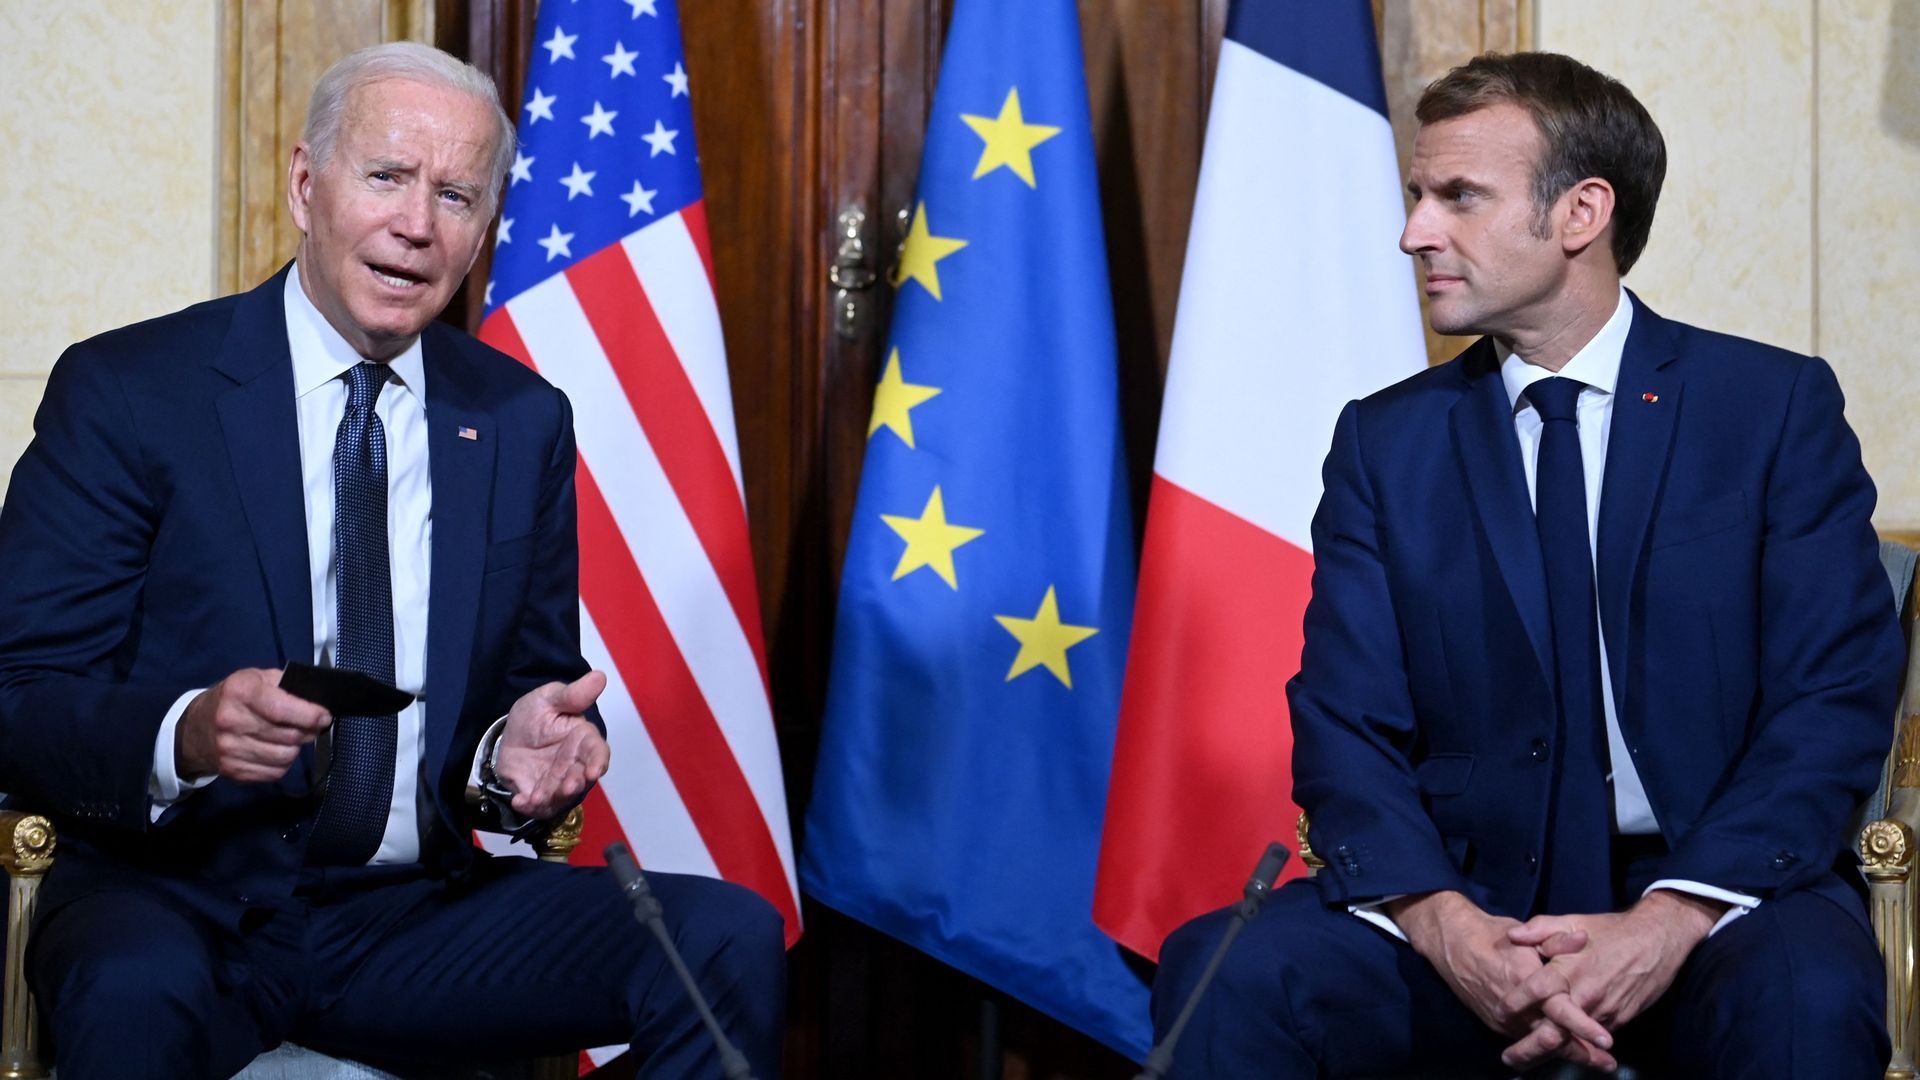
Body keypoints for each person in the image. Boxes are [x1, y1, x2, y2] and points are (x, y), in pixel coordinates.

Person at [0, 42, 784, 1080]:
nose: (418, 225)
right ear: (304, 184)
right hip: (175, 902)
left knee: (725, 940)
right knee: (132, 993)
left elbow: (523, 698)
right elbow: (21, 700)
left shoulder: (518, 420)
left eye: (457, 195)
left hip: (407, 920)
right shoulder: (133, 392)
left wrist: (517, 754)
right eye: (387, 177)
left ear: (484, 225)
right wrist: (187, 731)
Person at [1152, 51, 1903, 1077]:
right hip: (1465, 906)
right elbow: (1344, 725)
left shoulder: (1769, 411)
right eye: (1420, 196)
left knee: (1809, 996)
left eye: (1459, 196)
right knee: (1221, 970)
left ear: (1581, 213)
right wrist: (1449, 930)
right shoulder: (1386, 443)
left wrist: (1670, 918)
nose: (1414, 230)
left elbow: (1833, 695)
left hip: (1715, 899)